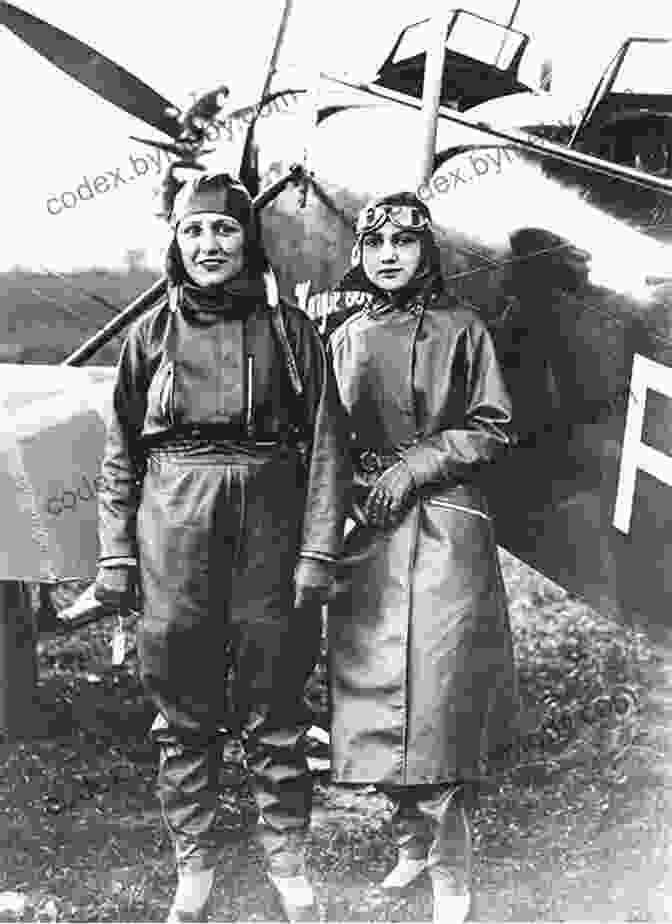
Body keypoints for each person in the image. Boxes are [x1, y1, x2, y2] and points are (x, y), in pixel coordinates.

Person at [93, 172, 350, 922]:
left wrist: (316, 554)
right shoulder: (149, 337)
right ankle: (195, 866)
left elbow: (328, 449)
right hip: (173, 525)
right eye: (193, 231)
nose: (209, 245)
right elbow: (119, 458)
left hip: (271, 523)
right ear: (175, 242)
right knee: (182, 706)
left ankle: (288, 863)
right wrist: (117, 556)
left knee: (276, 701)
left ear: (248, 240)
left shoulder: (293, 334)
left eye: (224, 230)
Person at [327, 192, 519, 923]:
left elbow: (493, 427)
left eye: (404, 242)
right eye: (374, 241)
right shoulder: (344, 337)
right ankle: (409, 839)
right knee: (375, 693)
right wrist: (351, 486)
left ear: (427, 252)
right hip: (370, 535)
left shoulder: (463, 330)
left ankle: (453, 876)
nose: (387, 255)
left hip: (443, 526)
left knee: (433, 701)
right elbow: (328, 439)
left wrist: (416, 466)